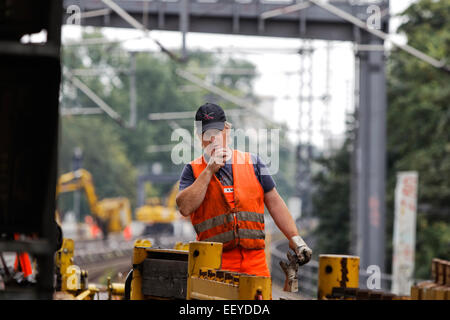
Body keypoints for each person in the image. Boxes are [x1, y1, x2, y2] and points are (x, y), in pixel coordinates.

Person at [176, 102, 312, 277]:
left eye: (216, 133)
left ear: (227, 130)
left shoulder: (254, 163)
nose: (212, 139)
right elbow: (185, 207)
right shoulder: (192, 170)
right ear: (198, 137)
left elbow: (275, 203)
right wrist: (209, 170)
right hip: (213, 264)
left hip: (255, 263)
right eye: (206, 134)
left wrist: (295, 238)